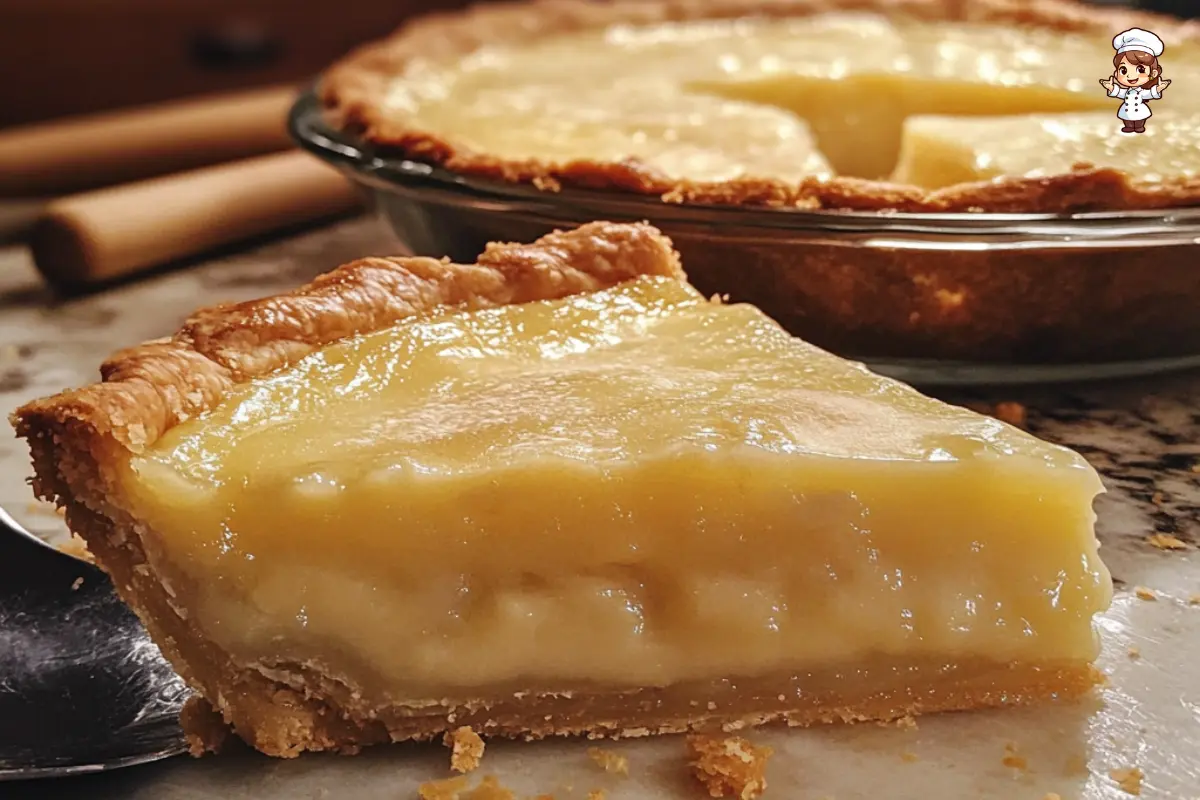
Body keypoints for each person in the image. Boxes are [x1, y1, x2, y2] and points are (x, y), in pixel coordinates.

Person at [1100, 28, 1172, 134]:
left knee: (1139, 119)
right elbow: (1120, 92)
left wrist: (1158, 89)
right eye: (1123, 70)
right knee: (1126, 118)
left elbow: (1149, 94)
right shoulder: (1126, 92)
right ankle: (1129, 126)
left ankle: (1138, 126)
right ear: (1116, 74)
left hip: (1139, 111)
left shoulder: (1142, 92)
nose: (1131, 75)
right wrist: (1111, 88)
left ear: (1153, 73)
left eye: (1140, 69)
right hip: (1127, 110)